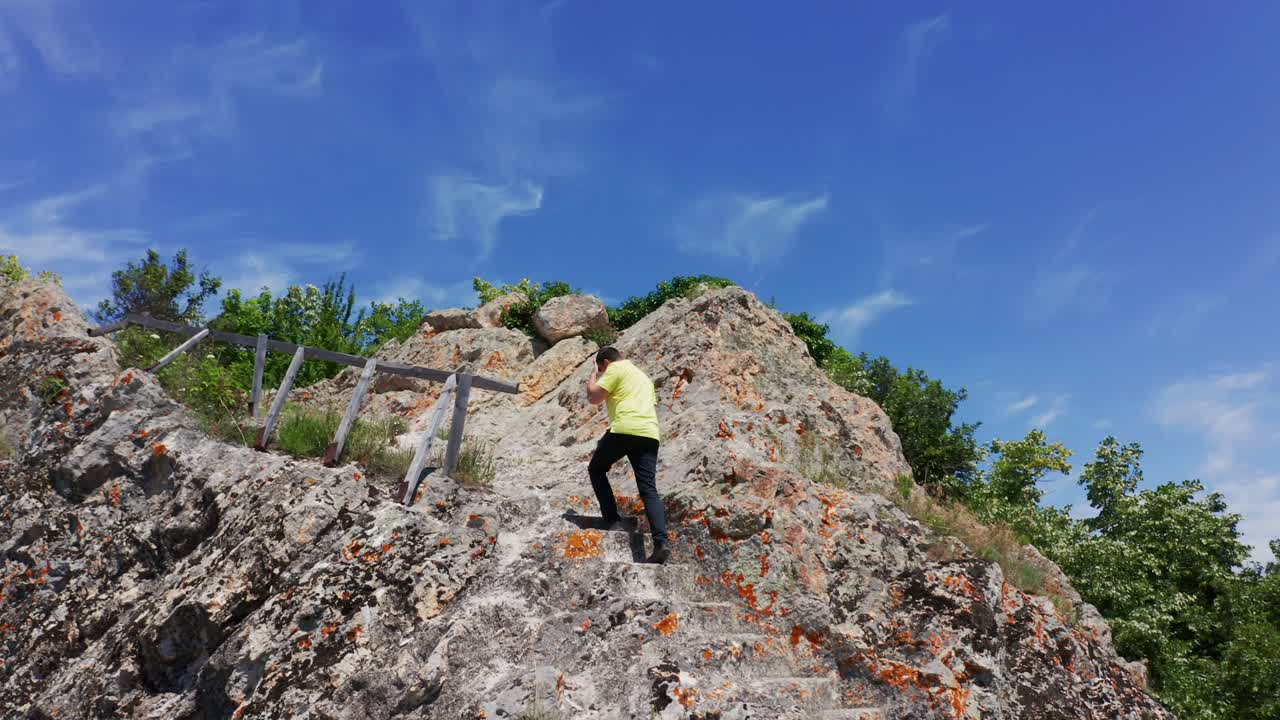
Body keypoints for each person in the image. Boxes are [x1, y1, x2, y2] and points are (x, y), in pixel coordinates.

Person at [586, 346, 671, 564]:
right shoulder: (643, 377)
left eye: (602, 369)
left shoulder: (615, 368)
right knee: (648, 489)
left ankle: (612, 520)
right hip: (650, 433)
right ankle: (661, 543)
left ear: (606, 362)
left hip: (624, 428)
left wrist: (594, 375)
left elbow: (593, 397)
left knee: (596, 469)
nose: (603, 373)